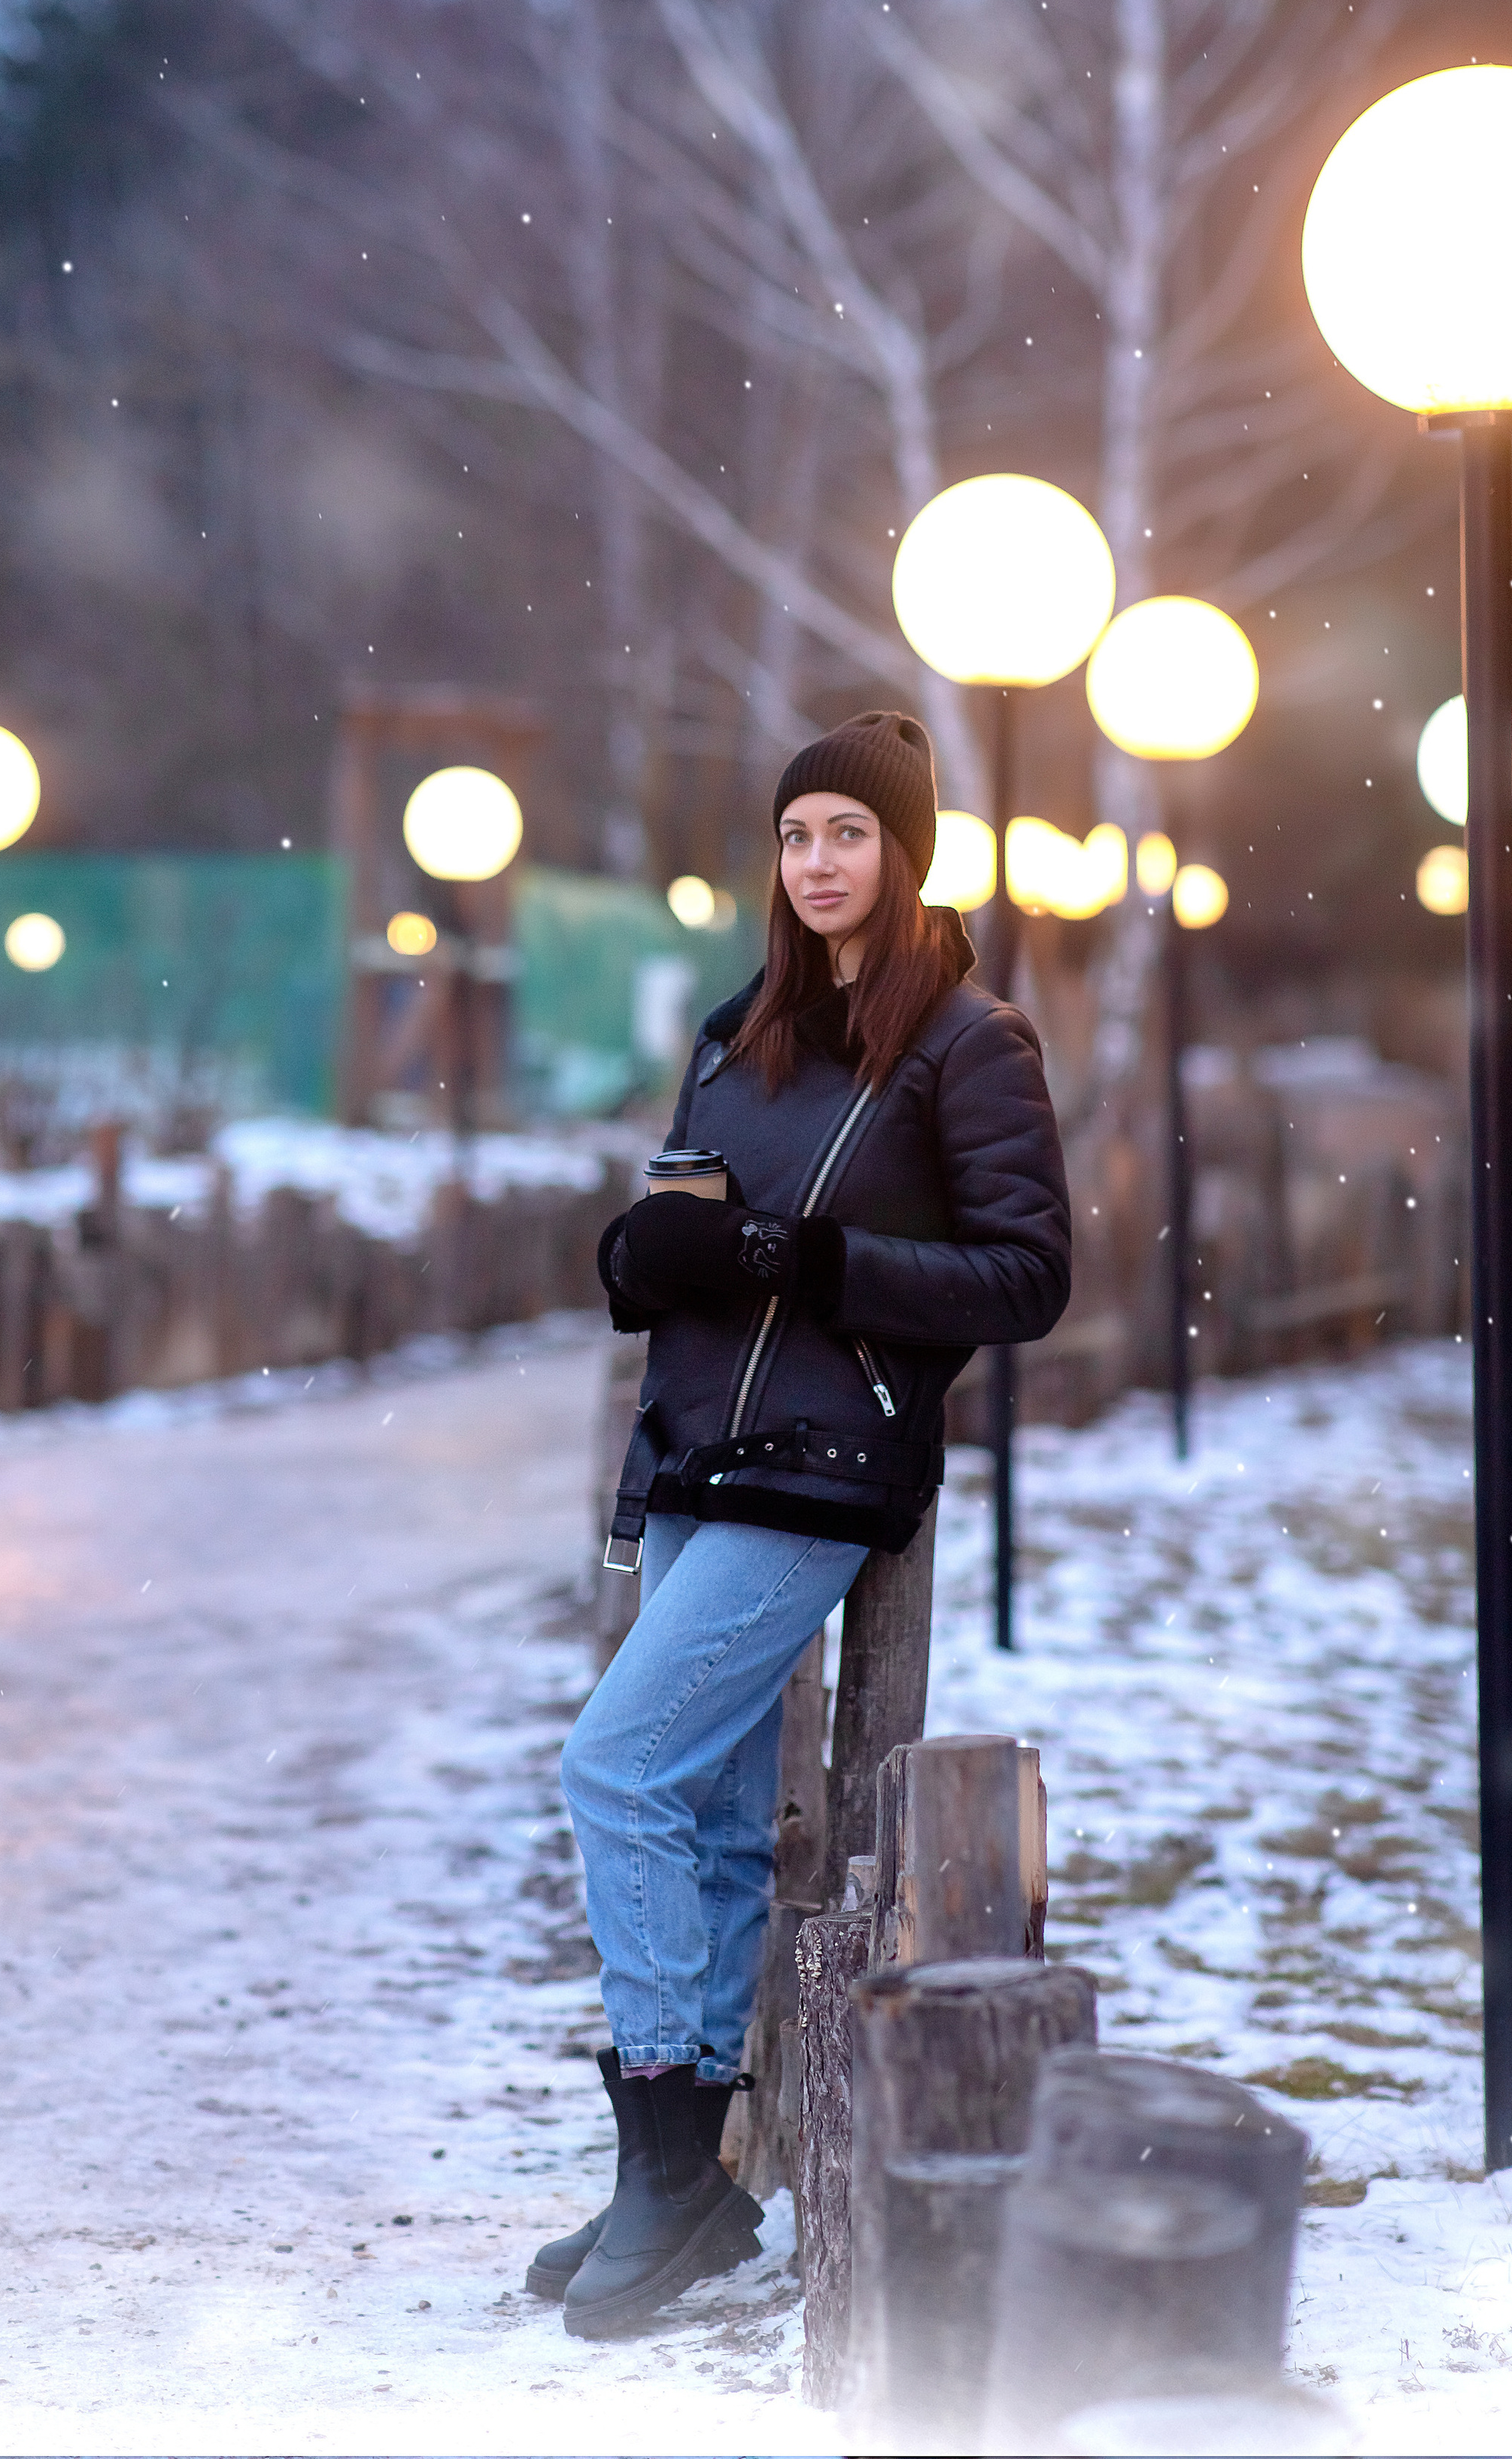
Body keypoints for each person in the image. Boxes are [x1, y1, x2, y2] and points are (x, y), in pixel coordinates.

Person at [532, 709, 1071, 2340]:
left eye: (847, 832)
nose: (816, 863)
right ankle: (678, 2174)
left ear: (903, 853)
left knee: (611, 1768)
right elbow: (695, 1220)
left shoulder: (970, 1044)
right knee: (691, 1819)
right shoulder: (740, 1028)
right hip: (702, 1457)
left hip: (825, 1473)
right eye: (793, 837)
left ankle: (674, 2168)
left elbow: (1024, 1277)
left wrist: (796, 1263)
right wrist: (647, 1259)